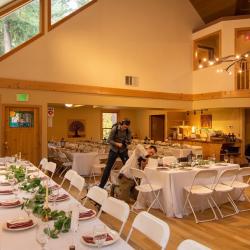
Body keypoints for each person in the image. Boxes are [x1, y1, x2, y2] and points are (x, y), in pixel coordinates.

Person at [99, 119, 132, 188]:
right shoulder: (114, 129)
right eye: (124, 127)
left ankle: (129, 185)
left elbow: (129, 140)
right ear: (121, 124)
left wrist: (126, 142)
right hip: (114, 150)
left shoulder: (128, 131)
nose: (125, 128)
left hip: (123, 150)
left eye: (126, 127)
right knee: (108, 168)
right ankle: (101, 186)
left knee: (128, 166)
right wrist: (117, 143)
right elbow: (109, 140)